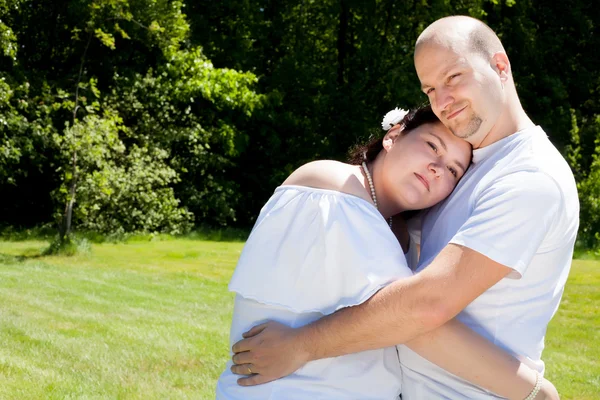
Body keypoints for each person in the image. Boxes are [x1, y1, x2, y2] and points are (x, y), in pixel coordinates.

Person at [230, 15, 577, 399]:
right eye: (430, 89)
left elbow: (422, 305)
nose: (442, 101)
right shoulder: (459, 172)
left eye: (454, 77)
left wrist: (534, 392)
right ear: (395, 135)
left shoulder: (529, 176)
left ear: (499, 66)